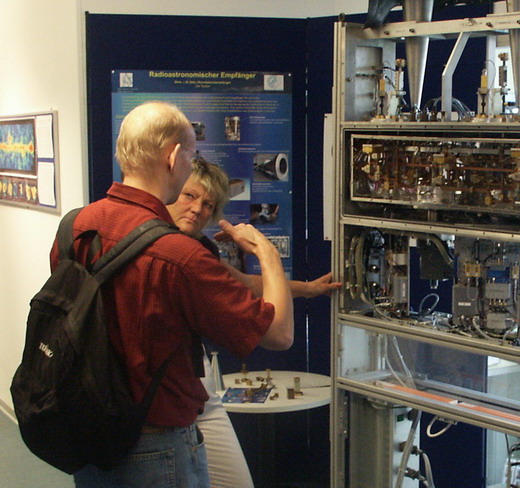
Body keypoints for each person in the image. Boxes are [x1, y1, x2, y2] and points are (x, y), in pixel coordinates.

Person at [55, 101, 294, 488]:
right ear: (173, 156)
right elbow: (279, 334)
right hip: (155, 441)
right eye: (192, 155)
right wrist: (266, 253)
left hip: (89, 430)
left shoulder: (76, 226)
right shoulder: (180, 256)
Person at [167, 157, 340, 488]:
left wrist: (309, 289)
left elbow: (246, 284)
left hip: (198, 390)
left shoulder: (198, 249)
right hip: (169, 399)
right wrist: (266, 251)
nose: (197, 209)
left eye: (208, 204)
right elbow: (280, 335)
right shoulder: (172, 250)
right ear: (172, 190)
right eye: (190, 196)